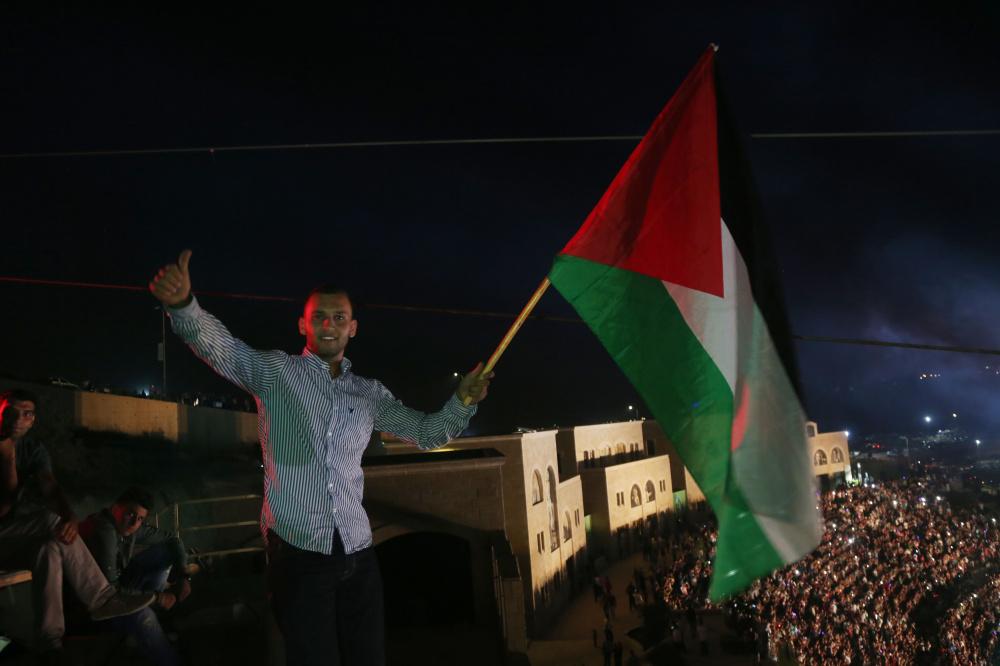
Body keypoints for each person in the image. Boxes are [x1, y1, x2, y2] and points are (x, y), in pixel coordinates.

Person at [149, 250, 492, 666]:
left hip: (359, 553)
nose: (329, 325)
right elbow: (225, 351)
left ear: (353, 328)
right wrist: (185, 307)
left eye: (338, 317)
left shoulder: (369, 393)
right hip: (298, 554)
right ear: (303, 325)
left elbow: (425, 433)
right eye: (320, 317)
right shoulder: (277, 373)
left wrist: (462, 401)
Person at [0, 391, 156, 659]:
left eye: (26, 414)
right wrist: (7, 456)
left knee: (50, 548)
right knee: (49, 520)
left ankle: (50, 644)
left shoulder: (32, 449)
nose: (17, 419)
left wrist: (70, 517)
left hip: (8, 539)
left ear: (33, 420)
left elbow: (50, 488)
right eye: (10, 411)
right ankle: (102, 598)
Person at [80, 486, 190, 666]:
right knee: (144, 616)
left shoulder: (128, 527)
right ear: (116, 509)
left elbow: (173, 540)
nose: (134, 523)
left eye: (140, 519)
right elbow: (112, 591)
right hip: (100, 603)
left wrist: (184, 575)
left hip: (120, 584)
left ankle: (154, 621)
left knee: (165, 552)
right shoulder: (105, 531)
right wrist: (155, 597)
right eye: (130, 514)